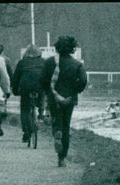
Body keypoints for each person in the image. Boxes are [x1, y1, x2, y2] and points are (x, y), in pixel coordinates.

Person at [41, 36, 87, 167]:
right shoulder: (77, 64)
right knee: (66, 125)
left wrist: (48, 92)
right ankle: (62, 158)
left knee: (56, 120)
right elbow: (83, 81)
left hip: (54, 97)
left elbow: (43, 79)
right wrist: (75, 90)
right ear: (72, 48)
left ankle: (56, 132)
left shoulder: (50, 62)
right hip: (69, 98)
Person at [11, 44, 47, 143]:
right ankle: (41, 113)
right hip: (40, 86)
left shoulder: (22, 62)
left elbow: (15, 78)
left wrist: (15, 91)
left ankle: (26, 131)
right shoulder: (44, 62)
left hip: (25, 87)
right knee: (42, 94)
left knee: (24, 109)